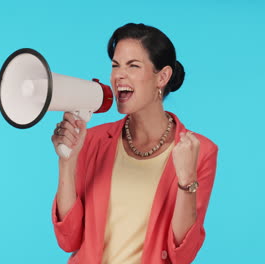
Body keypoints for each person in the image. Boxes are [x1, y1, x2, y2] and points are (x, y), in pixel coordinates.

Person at [50, 23, 218, 264]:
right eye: (115, 65)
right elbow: (69, 240)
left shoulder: (198, 151)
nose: (118, 76)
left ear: (162, 77)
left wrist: (186, 180)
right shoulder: (93, 140)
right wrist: (67, 161)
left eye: (133, 66)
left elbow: (182, 255)